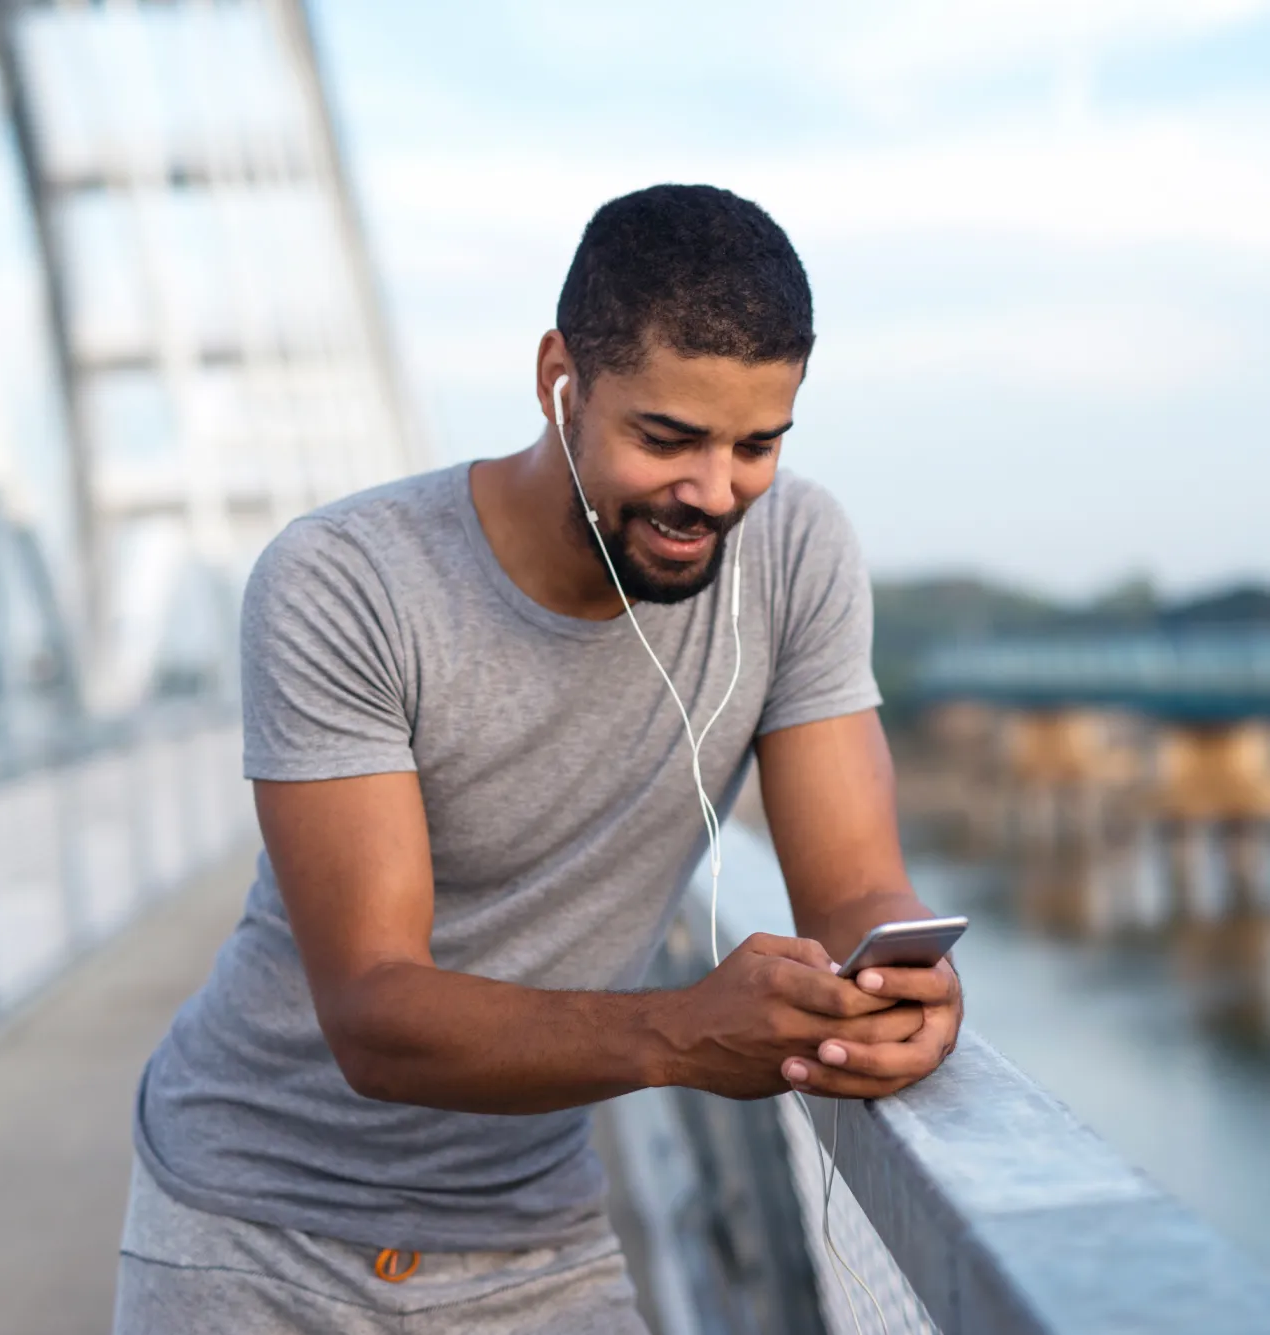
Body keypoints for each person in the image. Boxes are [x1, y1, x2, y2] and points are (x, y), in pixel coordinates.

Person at [113, 183, 963, 1335]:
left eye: (756, 444)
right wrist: (682, 1031)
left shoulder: (798, 552)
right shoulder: (343, 581)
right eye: (665, 437)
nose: (713, 493)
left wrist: (896, 980)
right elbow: (373, 1010)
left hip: (533, 1234)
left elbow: (856, 881)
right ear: (559, 377)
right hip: (250, 1231)